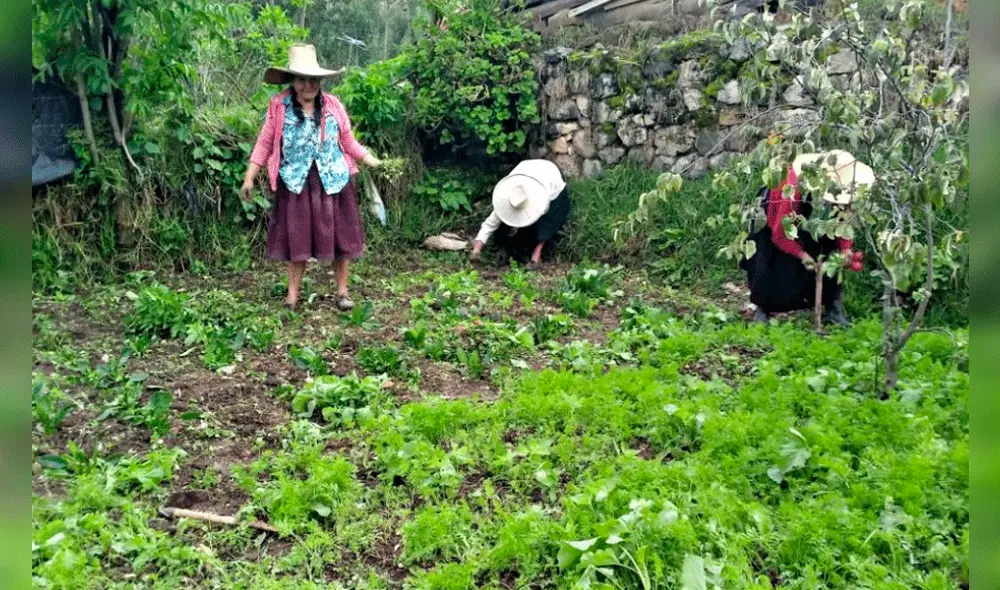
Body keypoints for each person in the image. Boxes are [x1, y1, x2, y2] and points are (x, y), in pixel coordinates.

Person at [240, 43, 381, 311]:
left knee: (340, 239)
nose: (308, 86)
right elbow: (264, 143)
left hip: (333, 182)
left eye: (313, 80)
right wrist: (249, 178)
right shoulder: (278, 107)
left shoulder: (334, 106)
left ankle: (342, 293)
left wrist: (372, 160)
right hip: (296, 184)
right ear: (293, 81)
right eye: (302, 80)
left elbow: (348, 142)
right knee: (298, 239)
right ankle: (292, 297)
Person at [740, 150, 871, 325]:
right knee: (769, 261)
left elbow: (843, 222)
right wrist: (803, 256)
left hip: (818, 223)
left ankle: (832, 305)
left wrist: (846, 248)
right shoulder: (793, 188)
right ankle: (763, 308)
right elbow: (780, 235)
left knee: (831, 255)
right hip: (777, 221)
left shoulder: (845, 189)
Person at [469, 159, 571, 269]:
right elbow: (490, 224)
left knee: (550, 220)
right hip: (525, 168)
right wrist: (477, 249)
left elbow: (549, 222)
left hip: (550, 175)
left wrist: (535, 255)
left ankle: (536, 255)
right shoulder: (509, 197)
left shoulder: (541, 203)